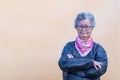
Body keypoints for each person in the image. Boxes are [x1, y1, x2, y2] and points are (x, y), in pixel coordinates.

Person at [58, 12, 108, 80]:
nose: (83, 29)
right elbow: (63, 63)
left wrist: (73, 65)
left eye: (87, 26)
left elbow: (101, 69)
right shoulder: (69, 46)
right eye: (80, 26)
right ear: (76, 27)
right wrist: (91, 62)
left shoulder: (98, 49)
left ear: (92, 28)